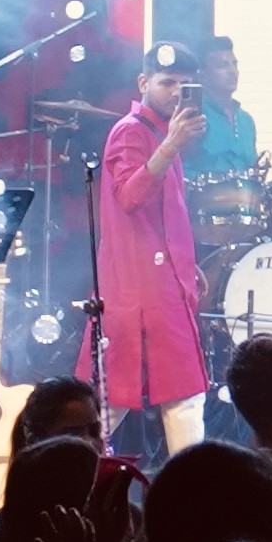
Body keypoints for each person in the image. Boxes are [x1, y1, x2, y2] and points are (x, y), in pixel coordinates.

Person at [86, 43, 236, 458]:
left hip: (162, 287)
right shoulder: (131, 131)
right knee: (113, 404)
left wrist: (185, 266)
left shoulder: (160, 132)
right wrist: (169, 147)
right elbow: (130, 197)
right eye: (167, 82)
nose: (175, 92)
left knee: (181, 399)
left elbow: (165, 212)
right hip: (136, 294)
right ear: (143, 83)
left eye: (185, 85)